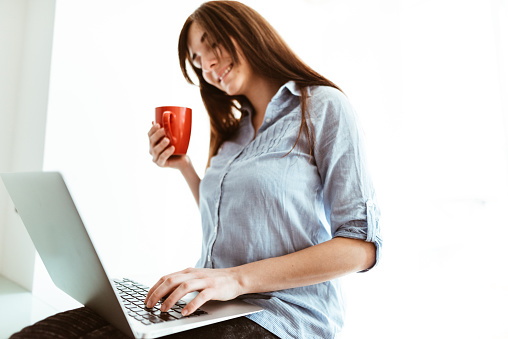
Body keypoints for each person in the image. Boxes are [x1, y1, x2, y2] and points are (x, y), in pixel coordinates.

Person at [146, 1, 382, 338]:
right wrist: (185, 168)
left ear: (246, 30)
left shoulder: (322, 107)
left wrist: (235, 278)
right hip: (211, 308)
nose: (208, 65)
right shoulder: (233, 134)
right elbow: (230, 220)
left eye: (212, 44)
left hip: (282, 317)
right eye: (197, 62)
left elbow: (361, 247)